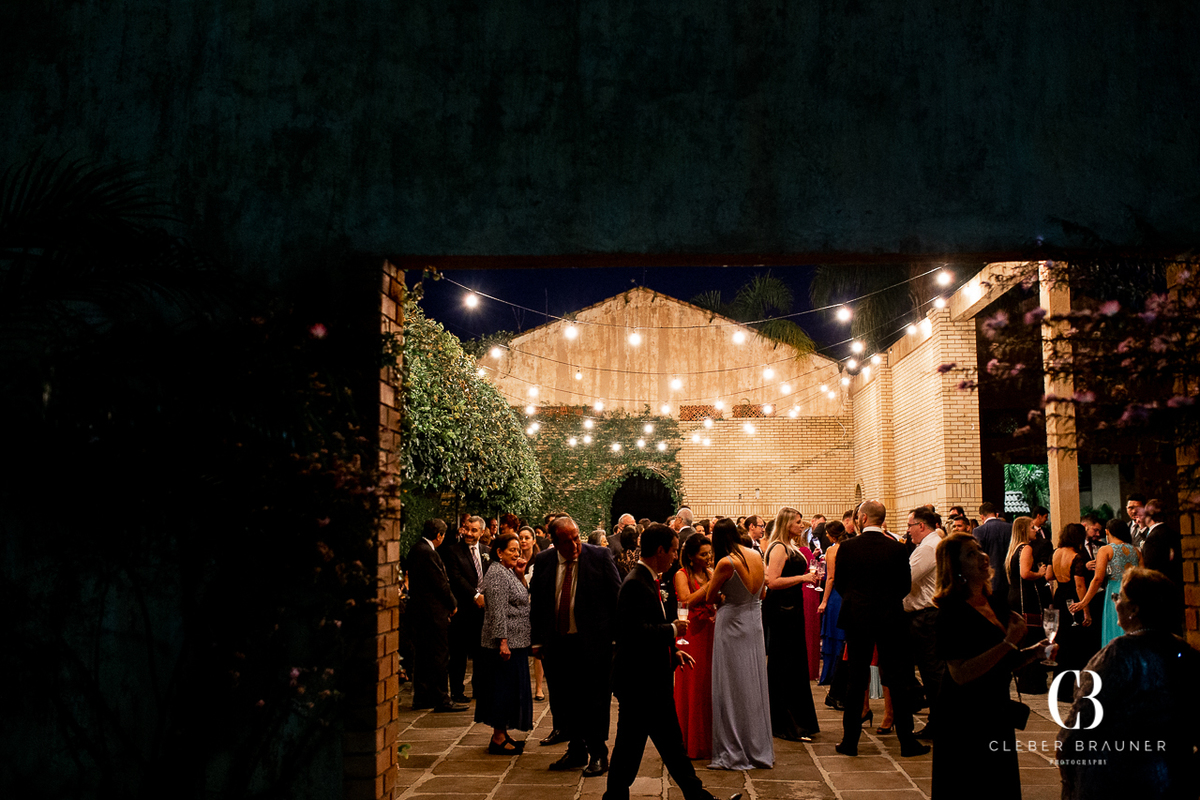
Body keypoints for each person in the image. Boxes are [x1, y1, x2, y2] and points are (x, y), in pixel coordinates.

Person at [604, 524, 742, 800]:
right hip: (640, 683)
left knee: (670, 748)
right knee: (631, 751)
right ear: (660, 551)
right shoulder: (635, 583)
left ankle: (698, 796)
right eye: (674, 550)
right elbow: (632, 633)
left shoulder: (647, 578)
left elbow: (646, 628)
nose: (675, 556)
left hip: (652, 679)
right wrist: (672, 631)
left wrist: (672, 651)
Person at [1059, 568, 1200, 800]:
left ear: (1135, 608)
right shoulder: (1185, 652)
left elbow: (1078, 727)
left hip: (1117, 781)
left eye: (1119, 597)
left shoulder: (1117, 655)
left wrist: (1070, 782)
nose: (1115, 603)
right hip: (1172, 779)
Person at [931, 533, 1052, 799]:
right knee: (969, 784)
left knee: (999, 782)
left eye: (979, 550)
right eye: (971, 554)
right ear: (956, 566)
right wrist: (1009, 642)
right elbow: (960, 674)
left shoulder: (995, 601)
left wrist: (1034, 653)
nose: (982, 557)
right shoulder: (951, 612)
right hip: (963, 713)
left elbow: (1003, 662)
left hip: (995, 706)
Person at [833, 501, 928, 758]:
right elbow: (905, 585)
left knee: (856, 679)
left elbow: (840, 584)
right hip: (890, 618)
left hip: (857, 617)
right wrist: (885, 602)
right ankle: (907, 741)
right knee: (897, 678)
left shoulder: (848, 547)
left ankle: (850, 741)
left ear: (863, 518)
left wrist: (858, 601)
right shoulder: (896, 548)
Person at [529, 516, 621, 777]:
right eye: (567, 540)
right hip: (558, 644)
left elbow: (616, 599)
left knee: (593, 700)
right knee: (564, 700)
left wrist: (615, 640)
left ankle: (599, 753)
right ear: (555, 542)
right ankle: (576, 749)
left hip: (592, 644)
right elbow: (538, 604)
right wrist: (536, 641)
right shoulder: (545, 561)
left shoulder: (599, 557)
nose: (575, 544)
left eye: (576, 536)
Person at [705, 518, 773, 770]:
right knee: (752, 683)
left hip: (732, 623)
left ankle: (734, 748)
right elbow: (763, 591)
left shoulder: (726, 562)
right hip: (754, 622)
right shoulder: (756, 554)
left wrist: (723, 594)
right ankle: (756, 743)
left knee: (731, 686)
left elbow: (711, 596)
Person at [762, 507, 820, 742]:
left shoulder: (791, 546)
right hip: (781, 611)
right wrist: (803, 578)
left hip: (792, 609)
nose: (801, 524)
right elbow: (772, 581)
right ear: (787, 524)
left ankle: (800, 718)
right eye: (797, 522)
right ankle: (784, 721)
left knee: (795, 663)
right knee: (784, 663)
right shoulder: (778, 548)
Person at [476, 532, 533, 754]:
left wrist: (519, 574)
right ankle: (498, 738)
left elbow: (519, 597)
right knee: (502, 690)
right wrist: (503, 642)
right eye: (512, 550)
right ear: (499, 552)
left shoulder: (507, 572)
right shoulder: (497, 574)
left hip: (517, 643)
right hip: (505, 646)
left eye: (518, 550)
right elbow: (497, 612)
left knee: (510, 690)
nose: (517, 554)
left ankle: (503, 733)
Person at [407, 519, 467, 712]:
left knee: (423, 656)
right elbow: (440, 583)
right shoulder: (429, 553)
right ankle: (441, 698)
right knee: (439, 656)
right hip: (432, 613)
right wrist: (453, 603)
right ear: (439, 535)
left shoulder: (416, 549)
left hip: (419, 611)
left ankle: (423, 697)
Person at [902, 507, 944, 738]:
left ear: (921, 525)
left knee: (932, 672)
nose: (908, 531)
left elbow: (904, 579)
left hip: (926, 616)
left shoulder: (928, 547)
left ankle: (939, 723)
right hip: (929, 614)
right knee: (932, 671)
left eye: (910, 526)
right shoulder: (934, 543)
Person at [673, 533, 715, 759]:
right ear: (690, 557)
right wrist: (710, 585)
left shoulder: (709, 572)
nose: (709, 558)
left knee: (708, 684)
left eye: (710, 553)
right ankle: (689, 741)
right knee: (693, 684)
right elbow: (686, 600)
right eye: (703, 554)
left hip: (709, 629)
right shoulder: (682, 574)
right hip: (691, 632)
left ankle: (707, 739)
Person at [1070, 518, 1142, 648]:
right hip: (1133, 594)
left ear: (1108, 532)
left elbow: (1097, 579)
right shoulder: (1136, 551)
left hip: (1114, 594)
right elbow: (1143, 576)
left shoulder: (1106, 550)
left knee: (1114, 628)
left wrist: (1084, 602)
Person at [440, 515, 489, 703]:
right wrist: (475, 596)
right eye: (466, 529)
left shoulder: (487, 551)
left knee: (481, 652)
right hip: (462, 610)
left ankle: (480, 689)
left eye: (474, 530)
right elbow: (455, 577)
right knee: (459, 653)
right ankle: (457, 691)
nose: (469, 533)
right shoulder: (453, 551)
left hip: (483, 611)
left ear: (481, 532)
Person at [1005, 515, 1049, 693]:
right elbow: (1025, 573)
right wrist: (1040, 573)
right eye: (1032, 527)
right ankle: (1032, 682)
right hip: (1026, 598)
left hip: (1015, 595)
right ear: (1024, 530)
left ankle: (1025, 680)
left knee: (1023, 639)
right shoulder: (1026, 548)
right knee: (1032, 636)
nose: (1036, 529)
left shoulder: (1014, 549)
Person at [1048, 523, 1091, 702]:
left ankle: (1059, 688)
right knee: (1074, 646)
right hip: (1072, 597)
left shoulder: (1056, 552)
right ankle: (1069, 690)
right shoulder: (1077, 557)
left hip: (1059, 596)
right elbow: (1080, 585)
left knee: (1061, 642)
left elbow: (1048, 576)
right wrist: (1086, 609)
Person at [1141, 498, 1184, 632]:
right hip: (1177, 588)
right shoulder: (1174, 534)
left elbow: (1150, 570)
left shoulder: (1153, 538)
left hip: (1159, 593)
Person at [816, 521, 848, 689]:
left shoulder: (832, 550)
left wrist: (824, 601)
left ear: (832, 534)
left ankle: (832, 674)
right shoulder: (850, 547)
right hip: (847, 595)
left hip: (835, 596)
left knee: (834, 634)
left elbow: (830, 578)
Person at [517, 526, 545, 703]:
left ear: (534, 541)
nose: (524, 541)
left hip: (534, 606)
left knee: (536, 649)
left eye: (527, 538)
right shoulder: (514, 560)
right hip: (519, 608)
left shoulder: (539, 561)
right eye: (521, 537)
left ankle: (539, 688)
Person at [973, 502, 1012, 598]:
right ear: (996, 514)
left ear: (982, 516)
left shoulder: (979, 531)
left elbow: (978, 555)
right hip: (1009, 578)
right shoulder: (1010, 527)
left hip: (990, 579)